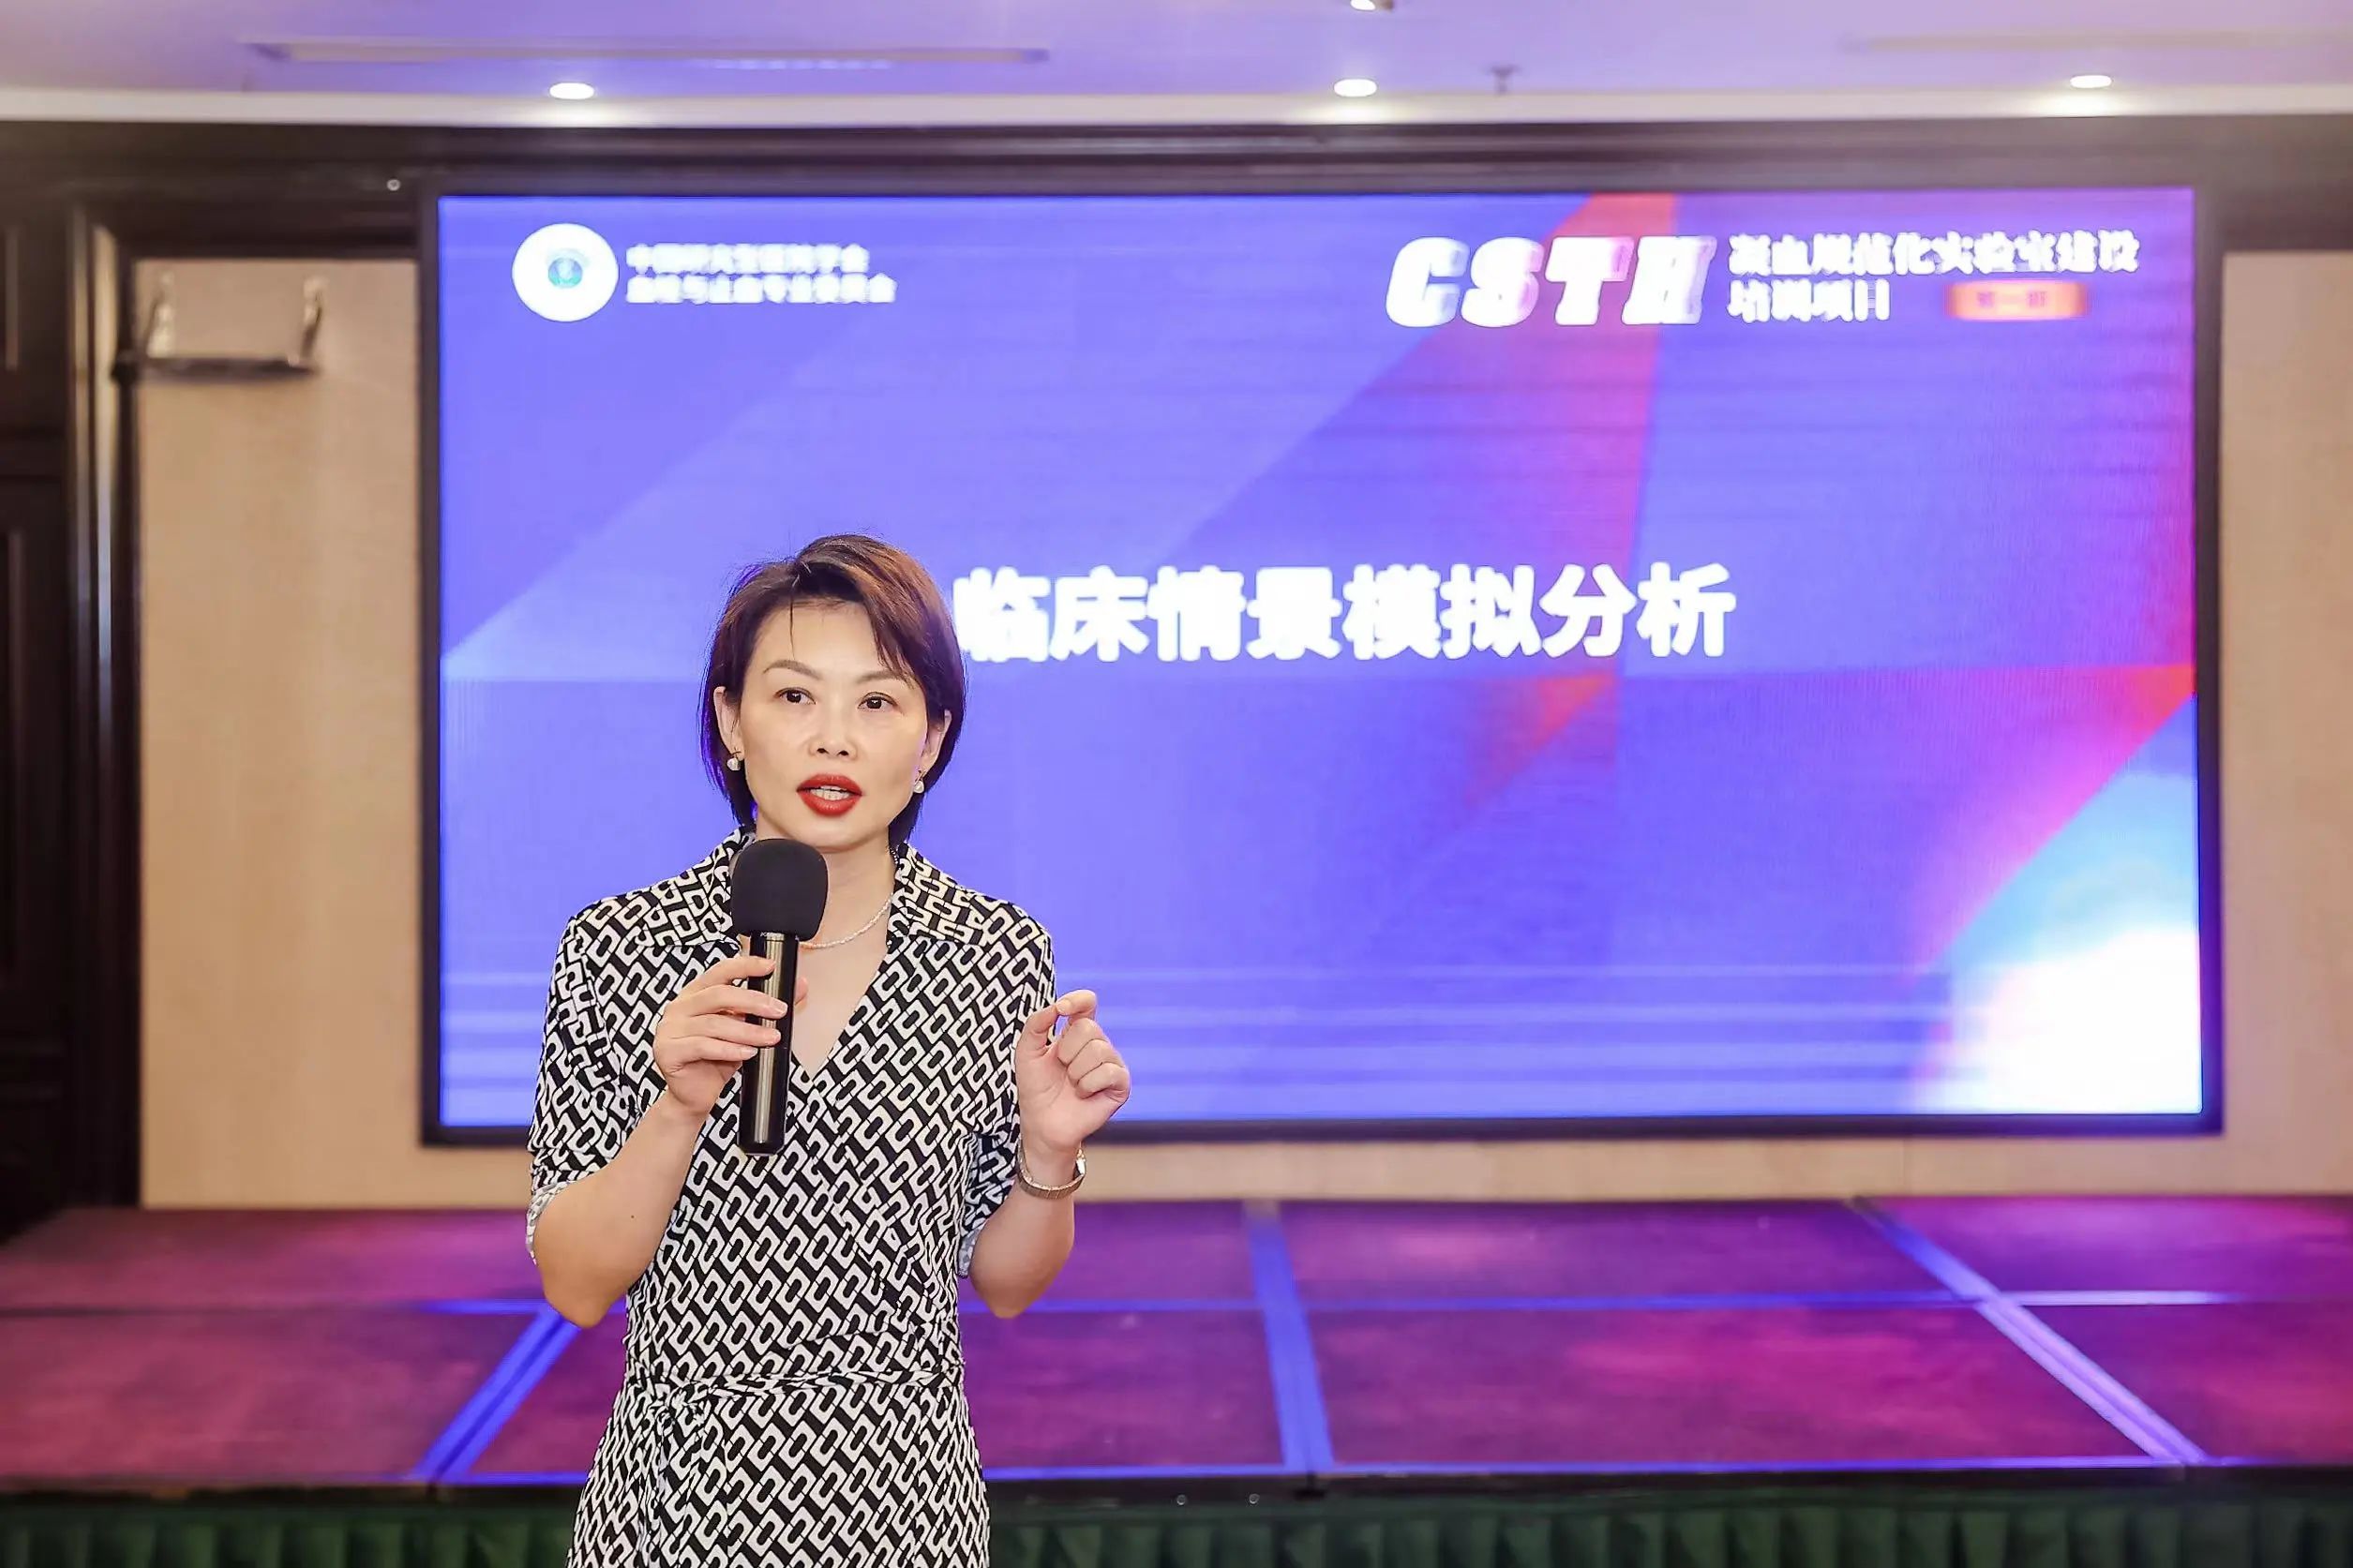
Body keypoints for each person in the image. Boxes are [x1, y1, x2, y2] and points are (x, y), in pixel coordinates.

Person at [524, 534, 1132, 1566]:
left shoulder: (991, 951)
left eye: (878, 701)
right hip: (676, 1508)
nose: (834, 739)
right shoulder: (621, 948)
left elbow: (1007, 1283)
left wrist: (1048, 1151)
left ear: (931, 738)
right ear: (731, 721)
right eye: (795, 695)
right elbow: (577, 1284)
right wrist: (679, 1105)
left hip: (904, 1505)